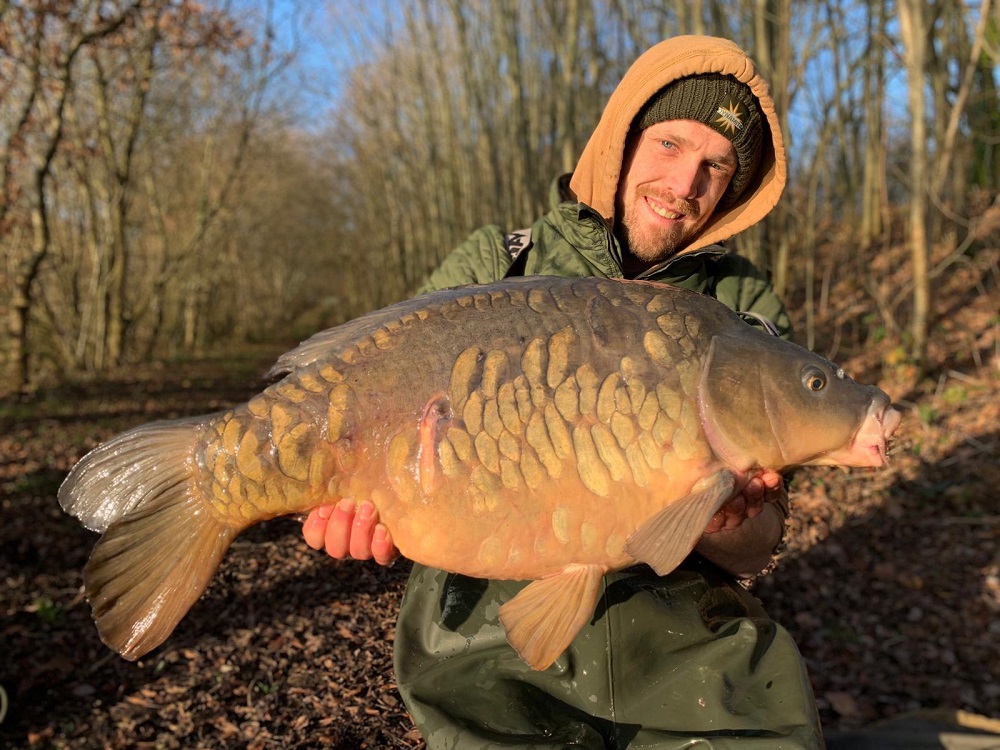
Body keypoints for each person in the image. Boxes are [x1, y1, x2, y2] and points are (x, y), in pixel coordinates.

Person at [303, 35, 824, 749]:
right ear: (619, 141)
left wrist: (727, 514)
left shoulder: (740, 306)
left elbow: (759, 547)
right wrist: (362, 505)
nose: (684, 185)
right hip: (483, 638)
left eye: (715, 165)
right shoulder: (500, 264)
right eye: (669, 145)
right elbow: (379, 406)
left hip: (683, 640)